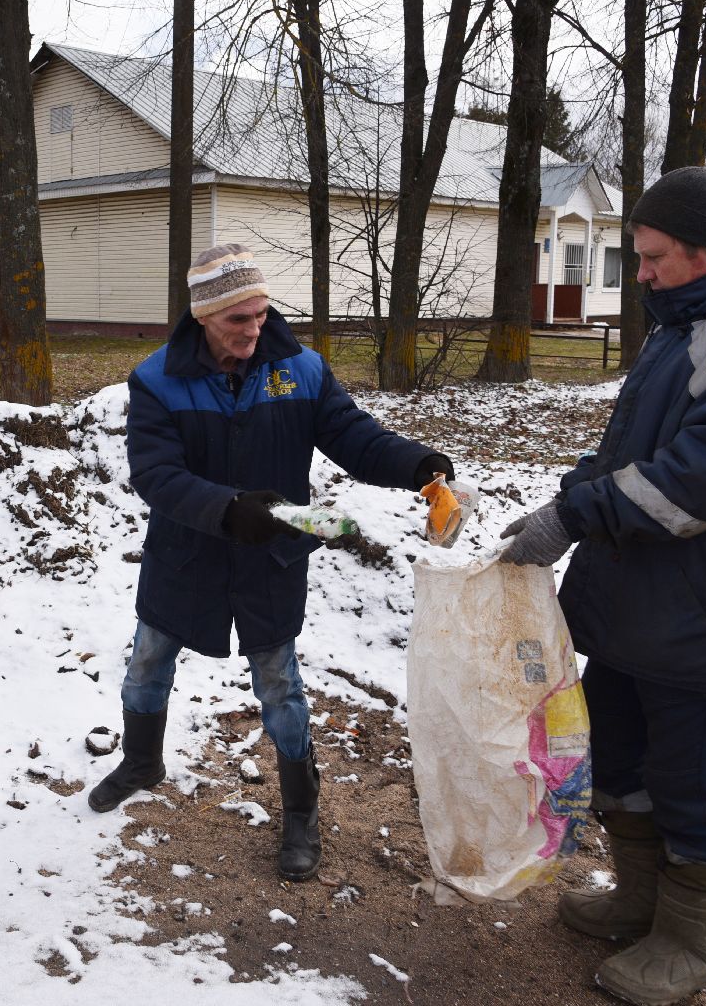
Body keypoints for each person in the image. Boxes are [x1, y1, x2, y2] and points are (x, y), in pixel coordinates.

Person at [499, 167, 706, 1005]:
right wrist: (570, 497)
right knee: (621, 755)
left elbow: (700, 484)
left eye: (652, 258)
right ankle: (640, 901)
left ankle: (691, 942)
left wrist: (579, 519)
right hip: (641, 602)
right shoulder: (691, 318)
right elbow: (630, 452)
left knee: (693, 779)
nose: (639, 274)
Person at [89, 242, 459, 882]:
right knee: (148, 661)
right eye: (239, 319)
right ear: (203, 316)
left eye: (262, 314)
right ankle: (141, 761)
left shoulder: (302, 371)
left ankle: (300, 812)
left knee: (280, 682)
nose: (255, 329)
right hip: (187, 555)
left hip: (271, 559)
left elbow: (354, 437)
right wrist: (227, 508)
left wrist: (418, 465)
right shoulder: (157, 380)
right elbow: (156, 475)